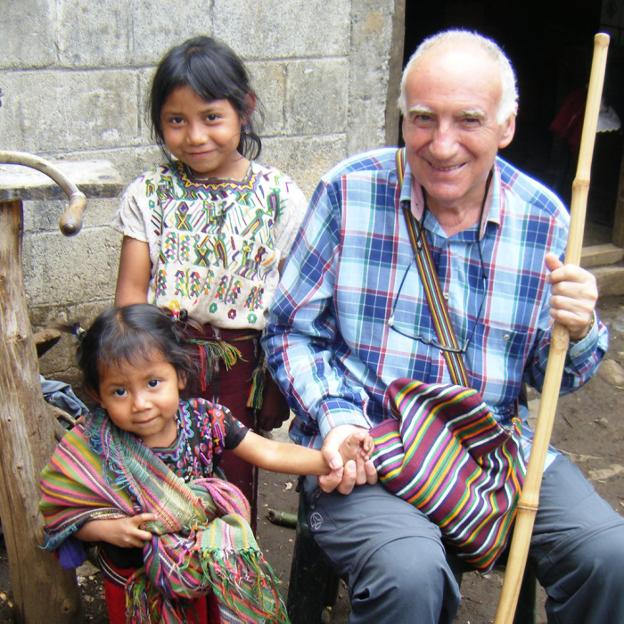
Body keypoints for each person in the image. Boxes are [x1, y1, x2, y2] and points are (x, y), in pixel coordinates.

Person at [263, 29, 624, 624]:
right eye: (423, 119)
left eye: (469, 120)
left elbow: (556, 372)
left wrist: (579, 327)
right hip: (370, 445)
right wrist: (337, 418)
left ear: (506, 126)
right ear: (403, 119)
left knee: (608, 556)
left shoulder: (544, 219)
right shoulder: (350, 192)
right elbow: (289, 330)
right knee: (409, 575)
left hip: (489, 449)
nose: (442, 144)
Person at [39, 304, 371, 624]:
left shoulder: (206, 419)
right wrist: (108, 529)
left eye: (153, 383)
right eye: (119, 391)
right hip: (132, 582)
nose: (140, 403)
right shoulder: (95, 442)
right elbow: (63, 510)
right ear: (97, 395)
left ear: (180, 376)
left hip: (201, 568)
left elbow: (269, 453)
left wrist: (330, 460)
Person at [112, 35, 308, 526]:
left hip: (244, 366)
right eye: (177, 120)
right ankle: (171, 581)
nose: (195, 136)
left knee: (235, 471)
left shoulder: (278, 196)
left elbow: (296, 300)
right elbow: (131, 296)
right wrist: (134, 370)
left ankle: (231, 581)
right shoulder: (150, 194)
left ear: (245, 109)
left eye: (211, 117)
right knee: (163, 471)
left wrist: (285, 377)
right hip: (164, 358)